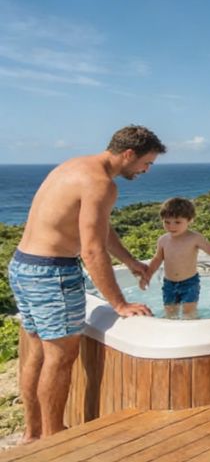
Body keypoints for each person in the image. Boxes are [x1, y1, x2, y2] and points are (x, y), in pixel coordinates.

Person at [8, 125, 165, 442]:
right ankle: (54, 441)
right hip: (53, 273)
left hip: (24, 266)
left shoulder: (76, 166)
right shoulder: (101, 184)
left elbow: (100, 229)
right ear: (129, 154)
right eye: (146, 163)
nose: (146, 170)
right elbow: (92, 250)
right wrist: (120, 304)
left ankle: (32, 433)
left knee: (37, 352)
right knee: (60, 358)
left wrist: (131, 262)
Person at [139, 197, 210, 319]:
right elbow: (157, 259)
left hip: (189, 283)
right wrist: (147, 276)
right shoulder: (163, 240)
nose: (171, 226)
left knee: (189, 314)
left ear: (190, 220)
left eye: (177, 222)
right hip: (169, 284)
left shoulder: (194, 238)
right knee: (170, 314)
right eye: (167, 222)